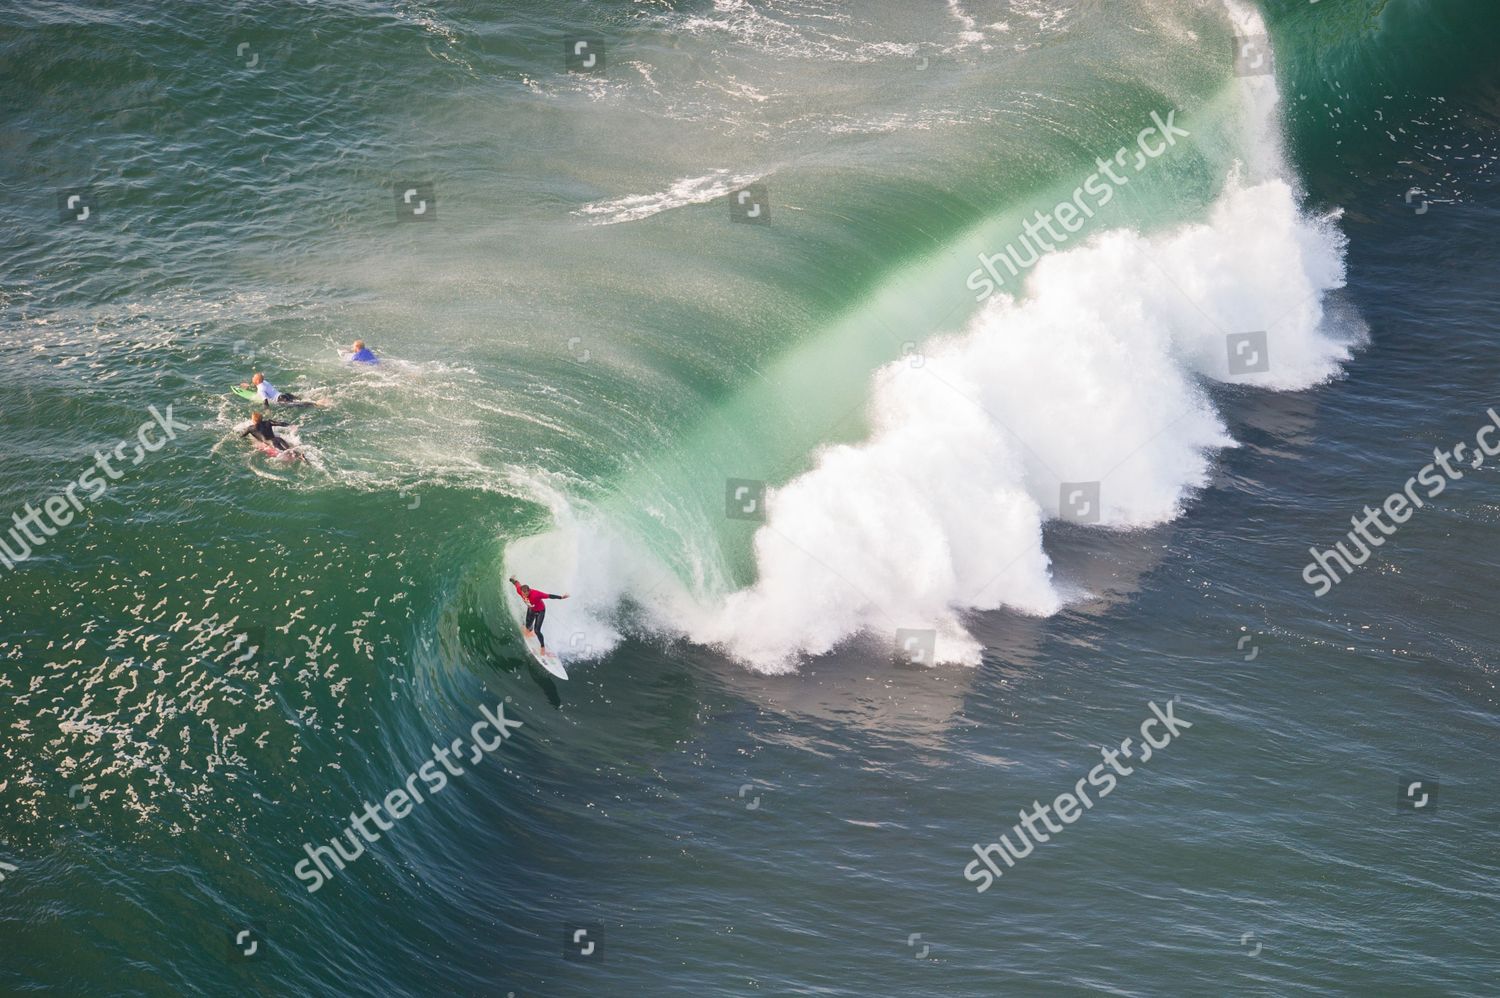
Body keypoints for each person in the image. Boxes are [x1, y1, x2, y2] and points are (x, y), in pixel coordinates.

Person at [509, 576, 568, 653]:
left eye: (527, 594)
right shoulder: (520, 591)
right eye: (524, 594)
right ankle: (530, 631)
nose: (525, 595)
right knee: (527, 626)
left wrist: (561, 597)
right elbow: (517, 584)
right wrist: (512, 579)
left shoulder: (536, 594)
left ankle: (543, 647)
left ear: (529, 591)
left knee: (537, 630)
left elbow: (549, 596)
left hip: (540, 611)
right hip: (531, 609)